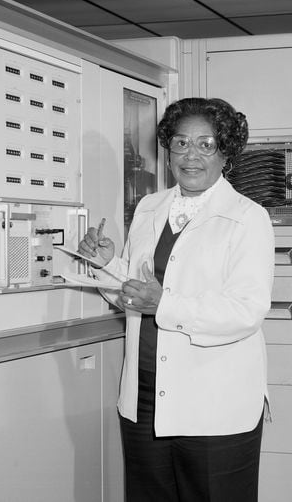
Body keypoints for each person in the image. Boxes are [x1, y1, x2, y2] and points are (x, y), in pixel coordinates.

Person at [78, 97, 275, 502]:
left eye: (207, 144)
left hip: (213, 405)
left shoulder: (247, 217)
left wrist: (163, 304)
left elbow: (246, 311)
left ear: (226, 153)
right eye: (181, 143)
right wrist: (105, 264)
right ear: (168, 149)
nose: (192, 155)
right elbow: (133, 295)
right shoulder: (150, 207)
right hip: (146, 398)